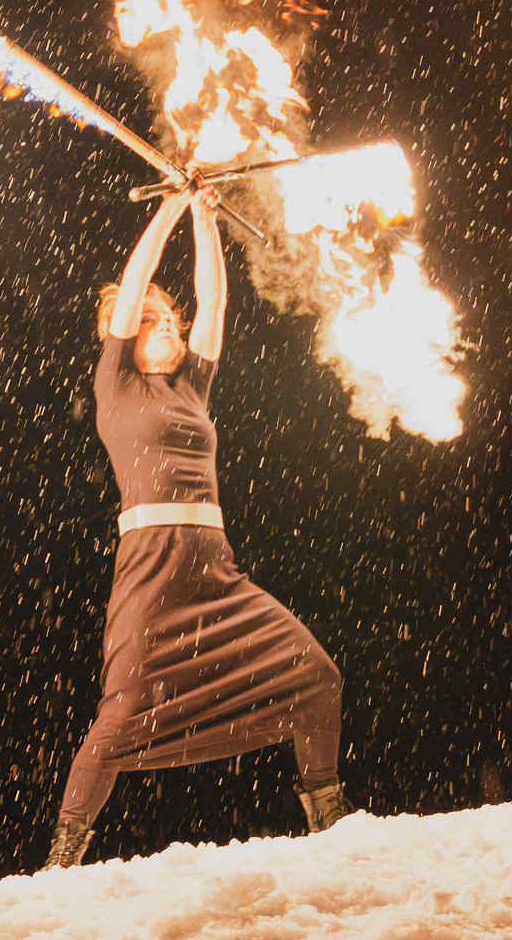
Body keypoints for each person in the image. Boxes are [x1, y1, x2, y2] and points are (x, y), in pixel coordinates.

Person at [48, 187, 353, 868]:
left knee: (316, 677)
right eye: (150, 320)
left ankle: (330, 821)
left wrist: (207, 217)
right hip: (152, 570)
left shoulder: (193, 388)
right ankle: (63, 855)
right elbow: (134, 284)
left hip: (216, 570)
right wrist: (170, 208)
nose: (166, 326)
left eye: (169, 321)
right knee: (121, 714)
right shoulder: (116, 385)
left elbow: (213, 302)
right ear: (125, 335)